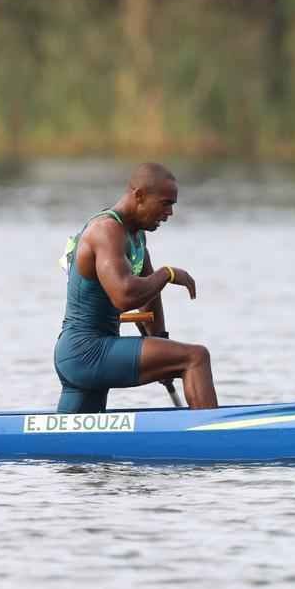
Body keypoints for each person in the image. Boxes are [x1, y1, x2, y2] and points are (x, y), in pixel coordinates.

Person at [54, 163, 218, 413]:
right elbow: (125, 295)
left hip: (89, 352)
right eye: (166, 203)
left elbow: (148, 298)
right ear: (139, 195)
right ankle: (214, 440)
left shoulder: (135, 235)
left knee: (66, 443)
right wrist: (168, 274)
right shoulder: (106, 230)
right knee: (195, 357)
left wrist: (160, 341)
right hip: (87, 351)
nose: (170, 212)